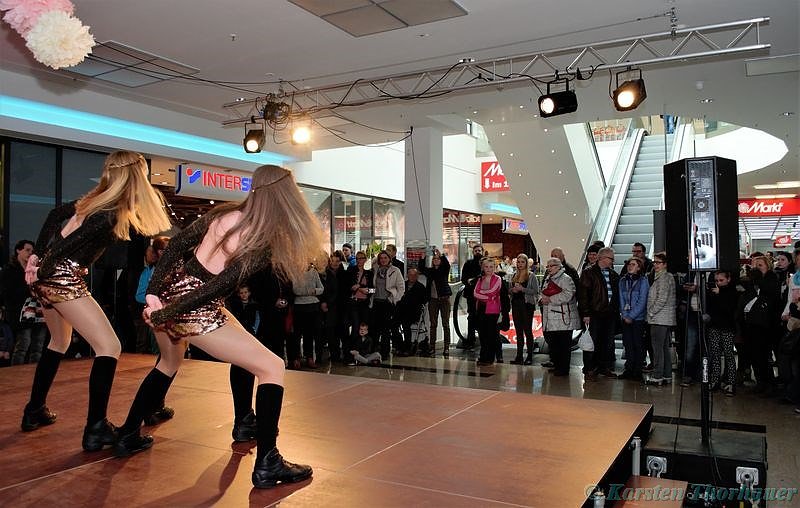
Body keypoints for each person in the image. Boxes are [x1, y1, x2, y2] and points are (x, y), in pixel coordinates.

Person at [114, 164, 322, 490]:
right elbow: (217, 285)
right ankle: (268, 462)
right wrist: (168, 311)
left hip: (175, 292)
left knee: (170, 362)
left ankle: (128, 433)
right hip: (195, 306)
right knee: (272, 366)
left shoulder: (227, 213)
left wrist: (156, 294)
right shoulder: (261, 236)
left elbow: (179, 243)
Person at [21, 150, 171, 452]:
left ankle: (34, 410)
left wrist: (36, 260)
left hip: (50, 278)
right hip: (61, 278)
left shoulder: (93, 202)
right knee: (110, 346)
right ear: (135, 176)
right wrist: (44, 266)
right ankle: (96, 428)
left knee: (58, 342)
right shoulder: (110, 212)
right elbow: (66, 247)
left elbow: (54, 218)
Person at [0, 240, 47, 365]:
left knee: (38, 346)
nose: (30, 253)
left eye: (32, 251)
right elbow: (6, 292)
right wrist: (29, 289)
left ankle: (33, 375)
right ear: (18, 250)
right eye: (27, 250)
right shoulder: (10, 269)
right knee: (23, 345)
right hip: (19, 312)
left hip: (38, 311)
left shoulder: (36, 270)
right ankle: (17, 375)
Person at [578, 247, 620, 379]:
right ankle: (590, 368)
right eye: (611, 259)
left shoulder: (613, 274)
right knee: (591, 343)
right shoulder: (589, 273)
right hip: (594, 314)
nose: (612, 261)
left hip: (609, 314)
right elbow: (583, 295)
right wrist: (585, 313)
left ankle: (603, 367)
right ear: (602, 258)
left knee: (607, 343)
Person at [540, 258, 581, 375]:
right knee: (555, 344)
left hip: (564, 318)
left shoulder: (566, 279)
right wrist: (541, 299)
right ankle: (557, 365)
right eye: (547, 266)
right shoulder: (548, 278)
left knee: (564, 345)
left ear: (558, 266)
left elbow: (569, 294)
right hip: (551, 317)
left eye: (551, 266)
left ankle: (563, 369)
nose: (549, 268)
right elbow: (542, 292)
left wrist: (550, 299)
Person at [645, 252, 676, 386]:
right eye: (654, 262)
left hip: (659, 318)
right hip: (665, 318)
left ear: (665, 264)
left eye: (658, 262)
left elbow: (661, 299)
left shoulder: (663, 278)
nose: (655, 265)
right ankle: (666, 374)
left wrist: (651, 312)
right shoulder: (666, 277)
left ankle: (657, 375)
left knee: (657, 348)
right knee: (663, 348)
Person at [706, 270, 738, 396]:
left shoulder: (733, 292)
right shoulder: (712, 292)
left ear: (728, 279)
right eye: (717, 280)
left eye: (721, 280)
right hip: (714, 326)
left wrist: (720, 295)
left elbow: (730, 309)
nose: (718, 283)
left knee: (729, 355)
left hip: (727, 327)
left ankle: (731, 382)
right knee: (715, 354)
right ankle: (715, 380)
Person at [618, 257, 649, 381]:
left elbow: (642, 301)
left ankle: (637, 370)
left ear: (639, 267)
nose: (630, 266)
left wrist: (631, 316)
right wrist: (625, 315)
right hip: (625, 318)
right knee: (628, 344)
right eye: (629, 264)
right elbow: (621, 299)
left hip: (638, 319)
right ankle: (629, 369)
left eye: (633, 264)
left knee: (638, 344)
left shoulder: (643, 281)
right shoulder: (622, 281)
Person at [370, 250, 405, 357]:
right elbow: (373, 287)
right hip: (376, 302)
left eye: (385, 258)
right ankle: (374, 350)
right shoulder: (376, 270)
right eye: (381, 258)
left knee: (385, 328)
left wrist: (394, 299)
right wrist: (369, 293)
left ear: (389, 259)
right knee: (375, 328)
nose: (383, 260)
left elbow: (401, 288)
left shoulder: (395, 270)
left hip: (387, 303)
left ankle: (385, 352)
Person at [420, 248, 452, 357]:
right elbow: (421, 268)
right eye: (434, 259)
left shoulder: (444, 270)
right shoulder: (430, 271)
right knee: (433, 324)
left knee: (445, 323)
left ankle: (446, 347)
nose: (436, 260)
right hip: (433, 300)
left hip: (444, 299)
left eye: (438, 259)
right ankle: (432, 347)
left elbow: (447, 265)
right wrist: (422, 257)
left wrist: (441, 255)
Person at [292, 261, 324, 368]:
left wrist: (312, 291)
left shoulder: (314, 272)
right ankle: (296, 358)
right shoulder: (295, 273)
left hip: (313, 306)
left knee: (309, 333)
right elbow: (296, 290)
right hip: (299, 306)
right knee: (297, 333)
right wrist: (311, 291)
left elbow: (321, 289)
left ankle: (309, 357)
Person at [474, 258, 504, 366]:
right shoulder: (480, 279)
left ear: (494, 268)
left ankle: (490, 358)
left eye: (491, 267)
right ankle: (483, 356)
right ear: (483, 267)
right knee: (482, 334)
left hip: (492, 310)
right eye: (486, 267)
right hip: (481, 309)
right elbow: (475, 293)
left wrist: (483, 294)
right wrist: (487, 297)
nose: (489, 269)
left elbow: (493, 291)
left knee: (491, 334)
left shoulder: (498, 279)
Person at [509, 254, 539, 365]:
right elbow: (509, 291)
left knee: (527, 330)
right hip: (516, 305)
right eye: (518, 262)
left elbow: (535, 291)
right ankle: (519, 355)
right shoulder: (513, 275)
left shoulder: (531, 276)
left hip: (527, 306)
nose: (520, 264)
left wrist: (523, 289)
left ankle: (530, 356)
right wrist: (513, 290)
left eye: (522, 262)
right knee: (518, 331)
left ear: (526, 263)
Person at [395, 268, 428, 355]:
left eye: (414, 275)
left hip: (413, 312)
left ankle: (407, 348)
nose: (412, 277)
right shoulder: (402, 285)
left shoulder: (421, 287)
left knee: (406, 325)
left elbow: (424, 301)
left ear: (417, 276)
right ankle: (399, 346)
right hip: (400, 310)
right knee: (392, 325)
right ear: (407, 276)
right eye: (410, 275)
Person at [460, 243, 484, 350]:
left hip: (484, 296)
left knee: (483, 318)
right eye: (476, 251)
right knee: (471, 316)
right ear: (473, 252)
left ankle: (484, 340)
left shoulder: (485, 264)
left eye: (479, 250)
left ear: (482, 251)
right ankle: (471, 340)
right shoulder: (468, 264)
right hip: (471, 295)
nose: (478, 252)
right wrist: (469, 281)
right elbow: (463, 278)